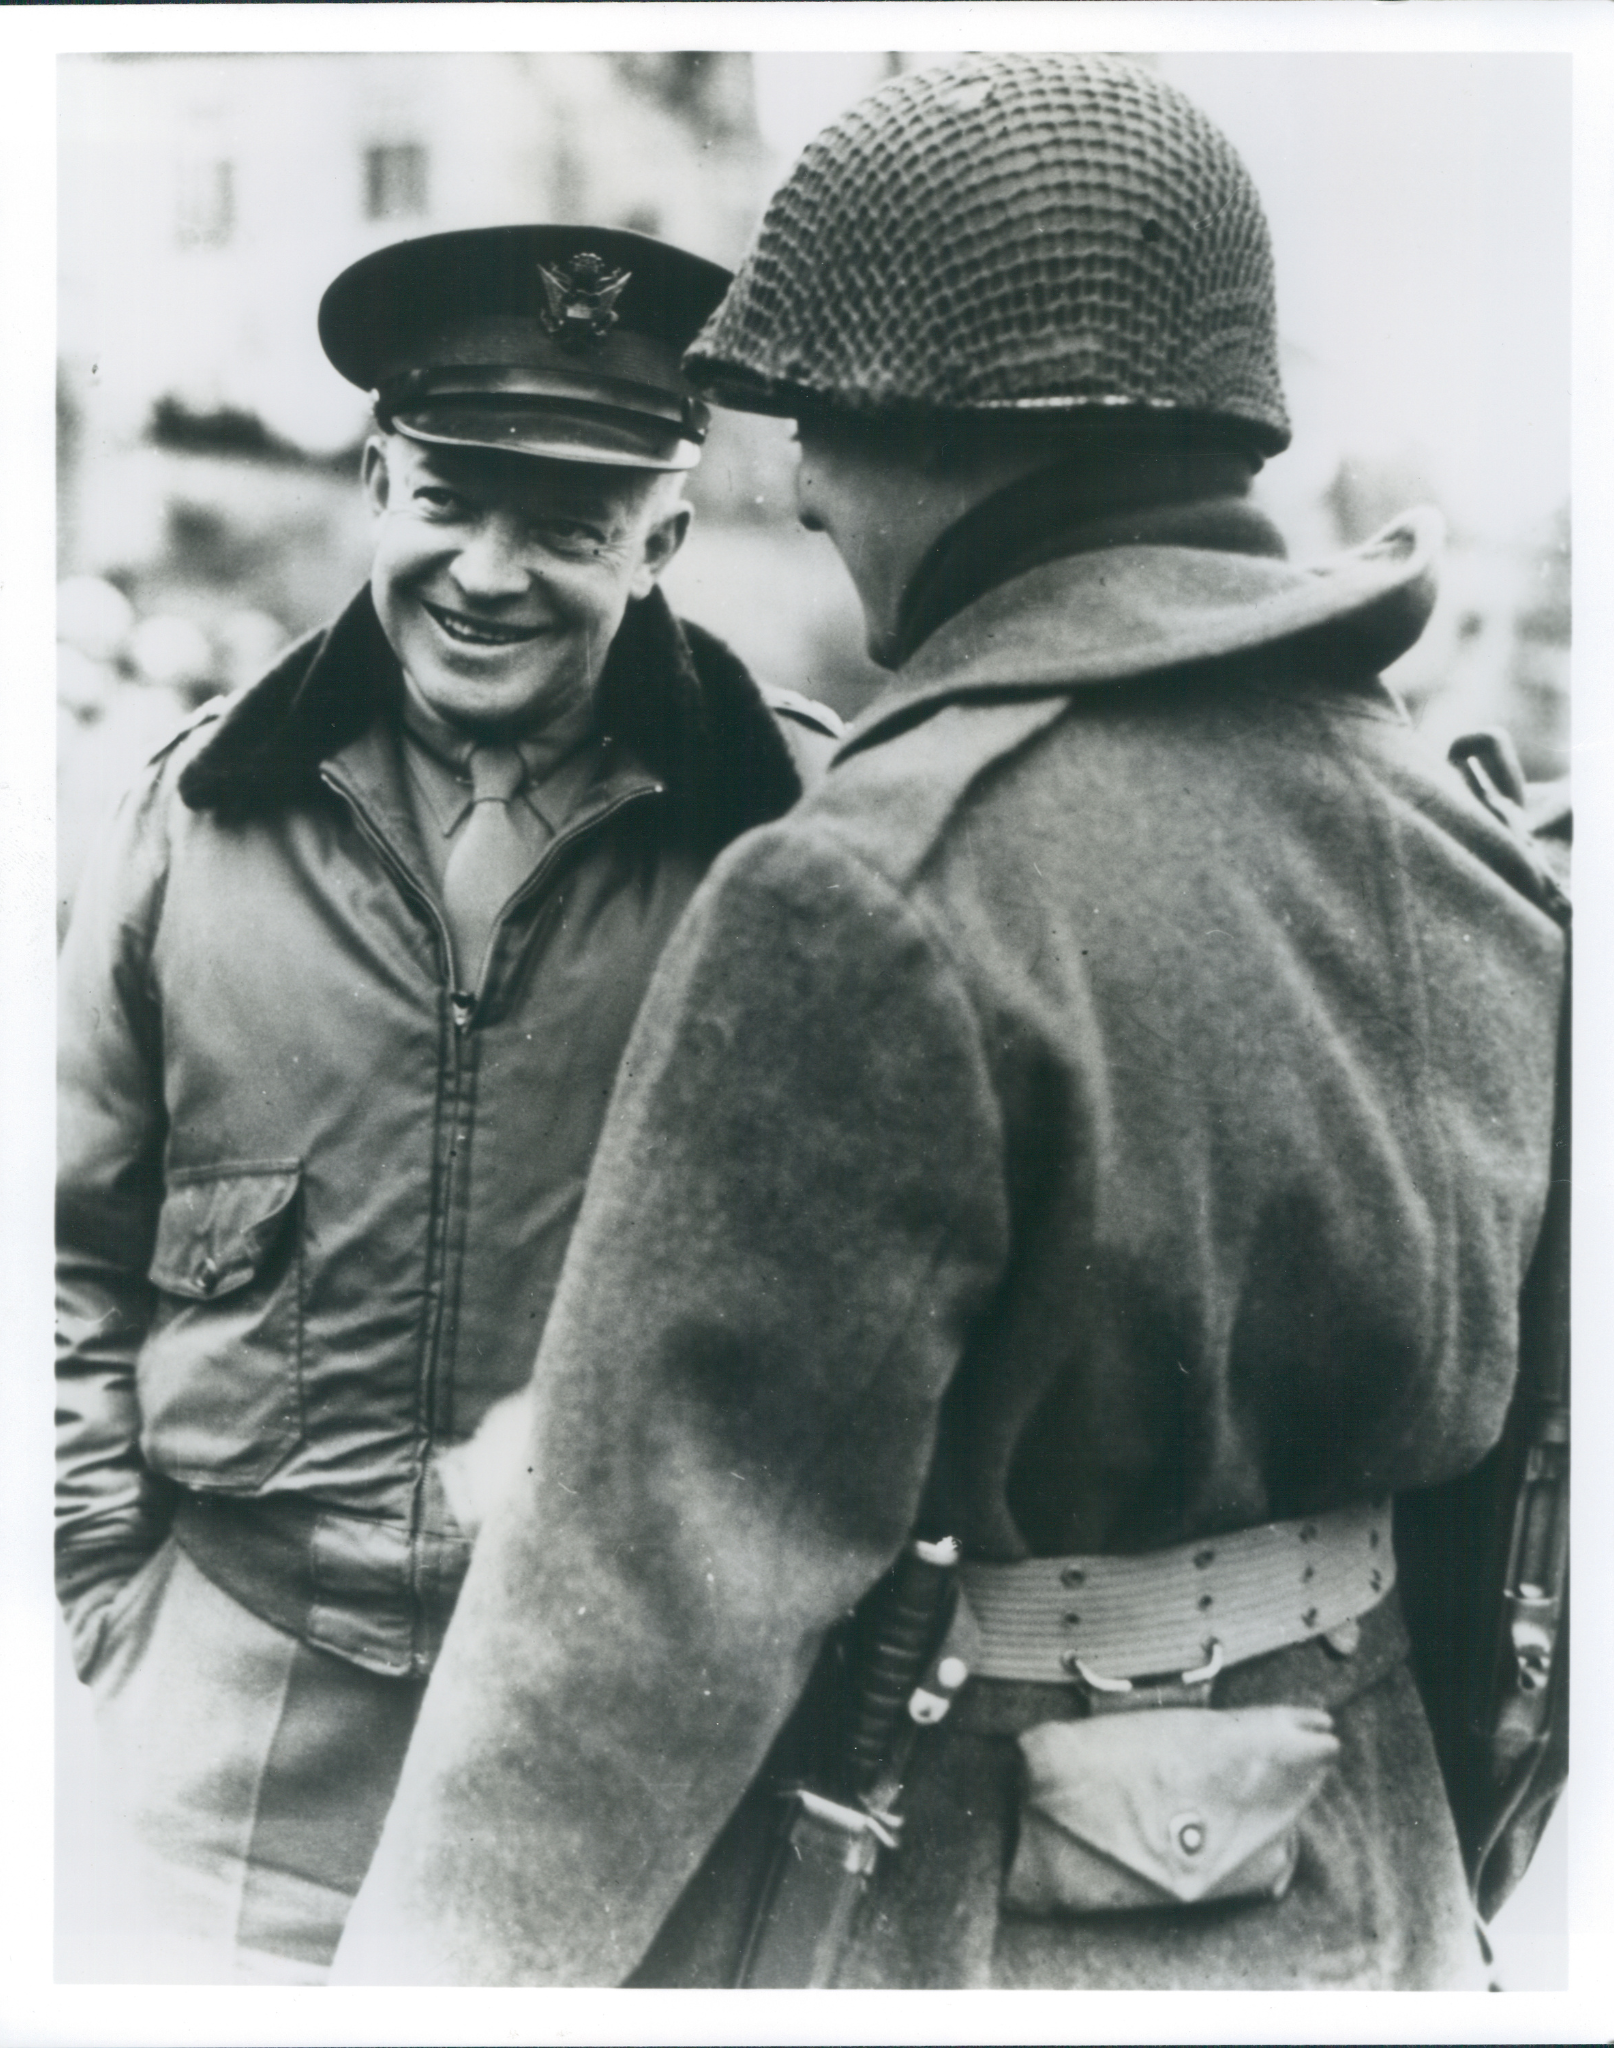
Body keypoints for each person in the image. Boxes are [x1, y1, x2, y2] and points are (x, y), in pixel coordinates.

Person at [331, 59, 1567, 1989]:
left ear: (925, 426)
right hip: (1385, 1903)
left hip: (977, 1916)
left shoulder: (872, 892)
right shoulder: (1469, 851)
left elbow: (634, 1612)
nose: (804, 486)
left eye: (813, 414)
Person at [55, 222, 839, 1983]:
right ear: (374, 478)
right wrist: (113, 1597)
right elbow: (64, 1248)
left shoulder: (806, 840)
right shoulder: (193, 817)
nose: (489, 570)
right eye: (451, 499)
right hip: (233, 1739)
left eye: (566, 524)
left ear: (663, 542)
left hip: (623, 1757)